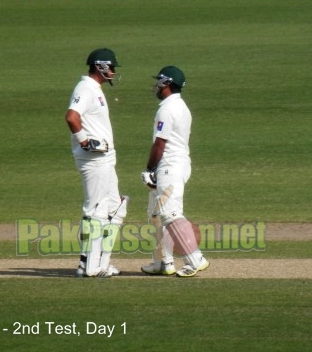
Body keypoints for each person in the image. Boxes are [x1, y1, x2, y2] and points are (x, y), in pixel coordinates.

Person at [140, 66, 209, 277]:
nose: (156, 86)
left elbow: (160, 143)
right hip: (174, 164)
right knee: (155, 214)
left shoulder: (167, 109)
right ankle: (163, 262)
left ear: (166, 83)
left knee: (169, 213)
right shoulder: (181, 106)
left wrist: (150, 168)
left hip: (169, 166)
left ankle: (195, 259)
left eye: (159, 82)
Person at [65, 48, 127, 277]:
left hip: (105, 159)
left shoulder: (95, 89)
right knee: (95, 211)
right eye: (111, 67)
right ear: (100, 66)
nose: (112, 71)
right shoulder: (86, 88)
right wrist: (84, 141)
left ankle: (100, 263)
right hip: (94, 160)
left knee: (115, 208)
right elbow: (71, 116)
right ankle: (87, 265)